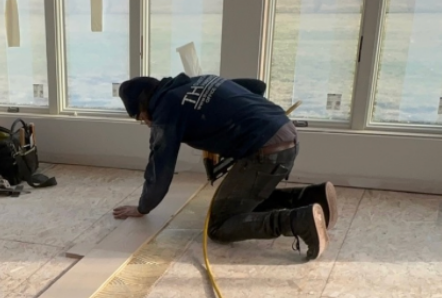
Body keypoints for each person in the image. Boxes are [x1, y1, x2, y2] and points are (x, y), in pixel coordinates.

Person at [112, 73, 338, 260]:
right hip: (285, 133)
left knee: (219, 225)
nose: (146, 123)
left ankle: (297, 221)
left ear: (143, 105)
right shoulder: (197, 81)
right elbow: (256, 85)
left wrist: (143, 207)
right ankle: (313, 198)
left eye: (140, 118)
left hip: (267, 152)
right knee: (242, 199)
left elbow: (160, 167)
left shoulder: (165, 111)